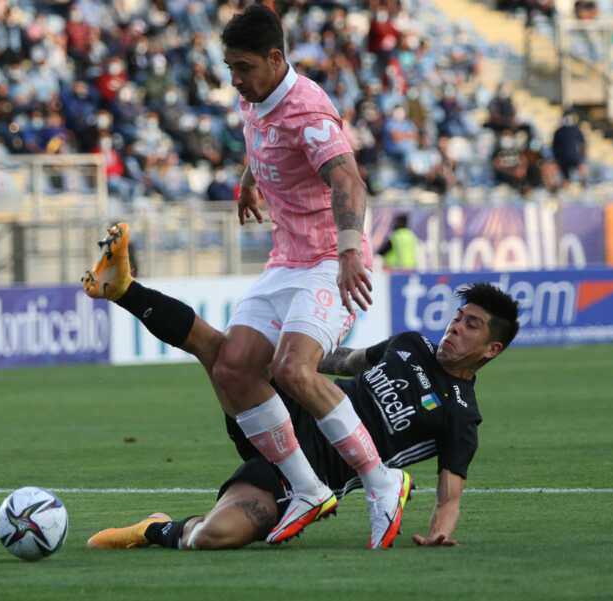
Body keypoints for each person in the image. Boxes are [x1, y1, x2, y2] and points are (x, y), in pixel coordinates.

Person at [81, 223, 520, 550]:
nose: (454, 328)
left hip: (310, 475)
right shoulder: (411, 344)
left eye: (471, 326)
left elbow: (449, 497)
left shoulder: (461, 413)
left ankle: (153, 528)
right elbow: (344, 361)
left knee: (212, 538)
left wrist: (441, 532)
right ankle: (123, 289)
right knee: (222, 352)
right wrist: (286, 359)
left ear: (491, 348)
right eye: (458, 318)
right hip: (290, 411)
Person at [211, 4, 409, 549]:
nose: (236, 79)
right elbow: (260, 137)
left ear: (277, 59)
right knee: (231, 368)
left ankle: (382, 481)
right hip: (286, 261)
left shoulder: (310, 110)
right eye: (230, 67)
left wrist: (349, 253)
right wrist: (249, 180)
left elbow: (349, 182)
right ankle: (306, 488)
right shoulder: (255, 96)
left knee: (293, 369)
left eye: (244, 67)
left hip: (328, 260)